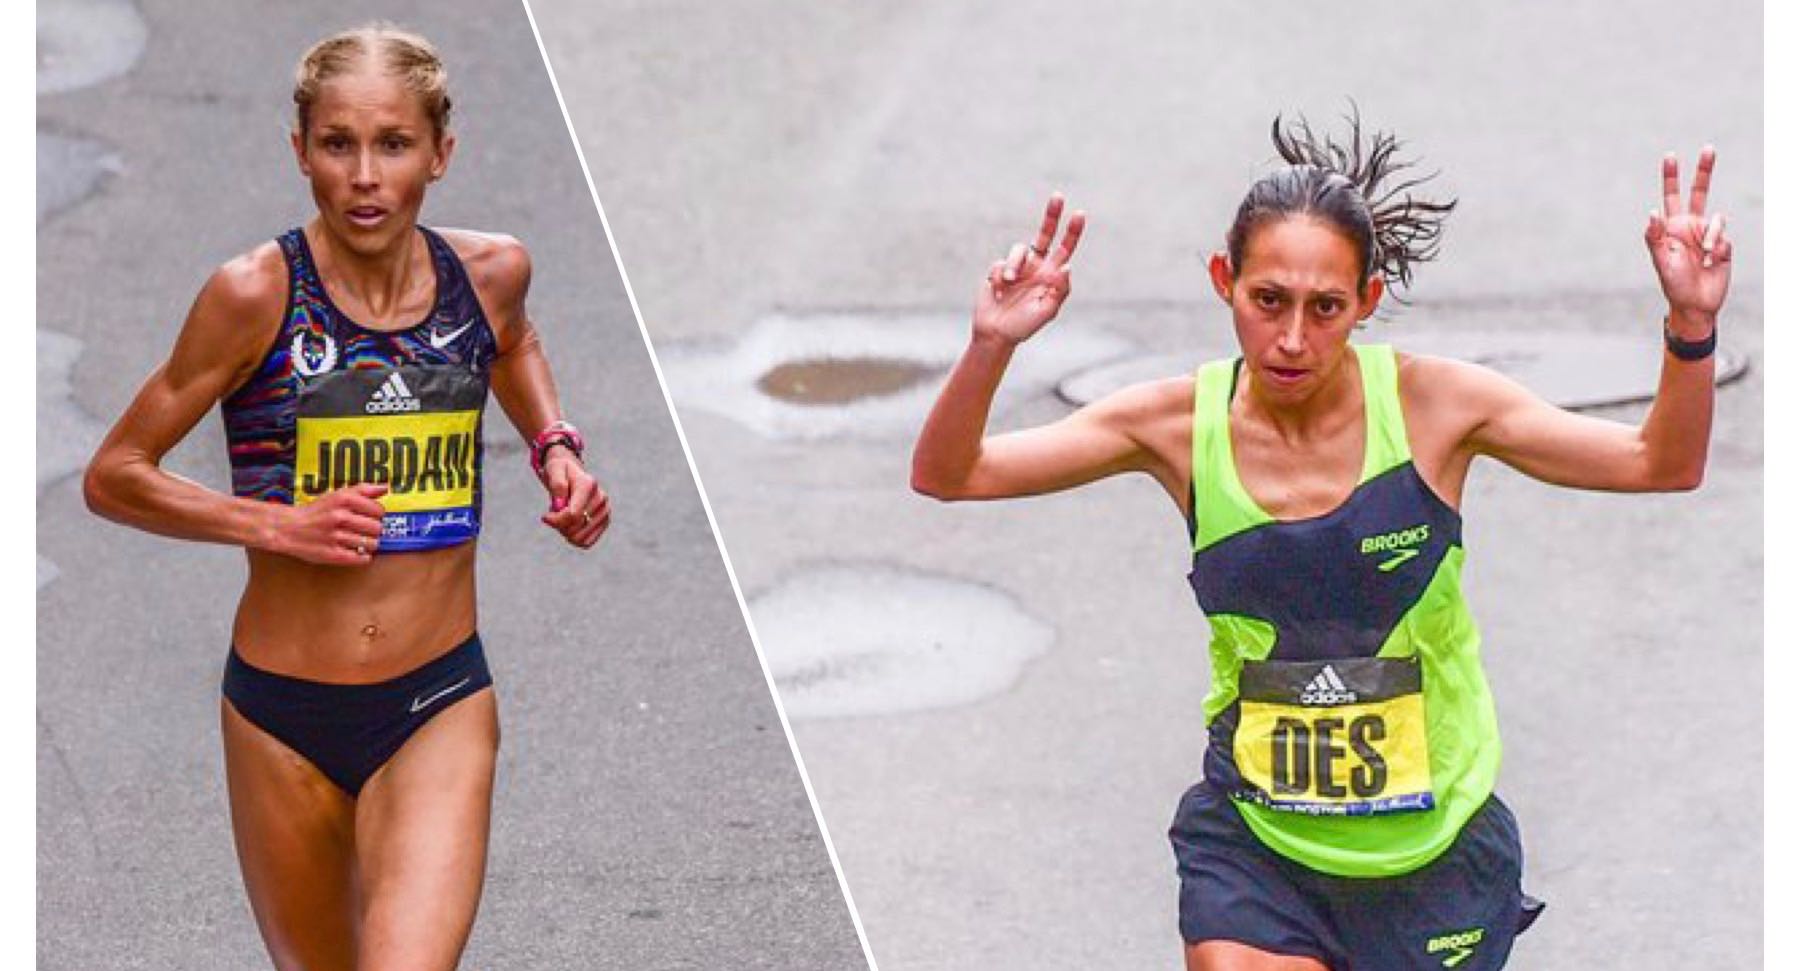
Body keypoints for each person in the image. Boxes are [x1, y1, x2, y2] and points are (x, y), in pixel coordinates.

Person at [911, 113, 1728, 971]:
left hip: (1435, 854)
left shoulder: (1436, 409)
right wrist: (991, 344)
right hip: (1260, 846)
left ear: (1366, 302)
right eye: (1268, 301)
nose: (1293, 338)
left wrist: (1690, 326)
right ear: (1224, 281)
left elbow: (1660, 463)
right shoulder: (1176, 426)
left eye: (1326, 308)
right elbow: (952, 473)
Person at [83, 23, 610, 971]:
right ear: (301, 152)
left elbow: (514, 339)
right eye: (338, 144)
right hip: (279, 715)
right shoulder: (253, 295)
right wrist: (278, 524)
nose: (365, 176)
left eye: (393, 144)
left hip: (438, 697)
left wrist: (554, 444)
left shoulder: (489, 274)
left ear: (441, 153)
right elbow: (115, 473)